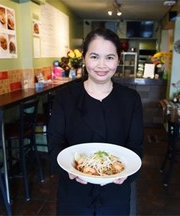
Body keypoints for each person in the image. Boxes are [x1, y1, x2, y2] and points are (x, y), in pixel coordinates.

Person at [47, 28, 144, 215]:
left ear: (118, 59)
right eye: (94, 56)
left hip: (116, 193)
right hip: (74, 193)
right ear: (84, 58)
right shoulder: (65, 97)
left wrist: (127, 174)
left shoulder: (130, 99)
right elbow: (55, 144)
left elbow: (136, 146)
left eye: (109, 57)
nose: (102, 65)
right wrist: (69, 170)